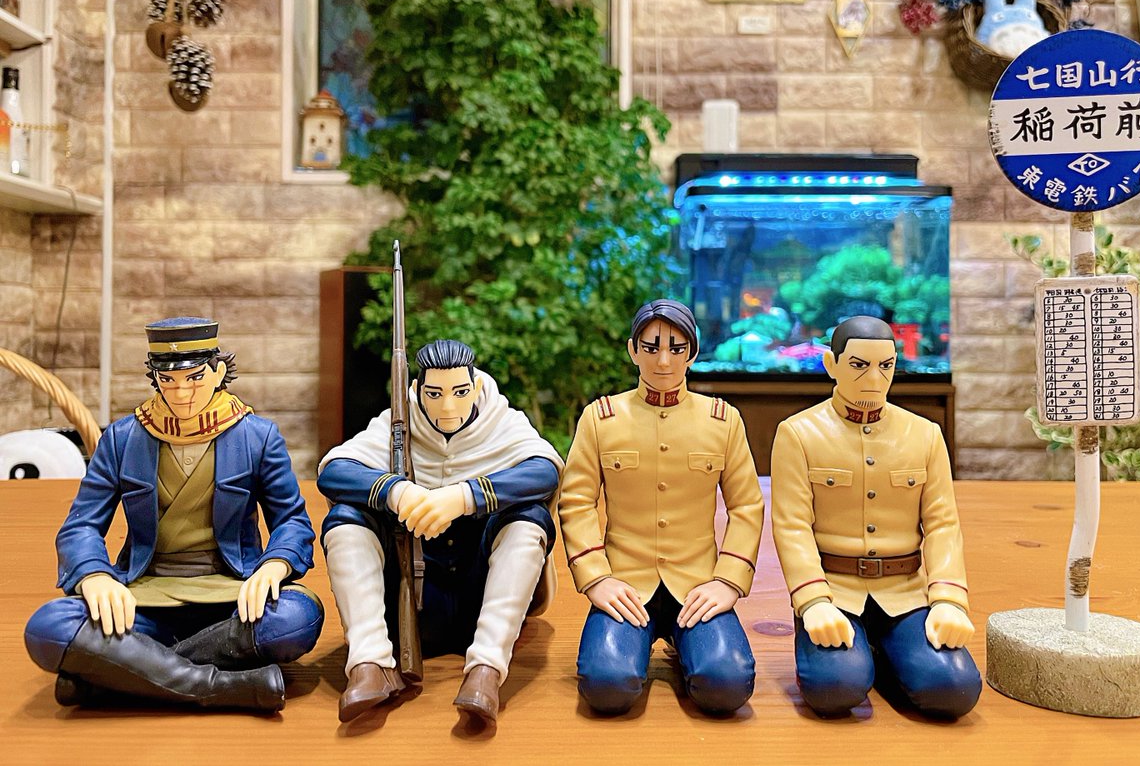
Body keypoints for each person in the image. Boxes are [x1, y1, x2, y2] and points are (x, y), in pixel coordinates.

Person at [24, 318, 324, 713]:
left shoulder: (257, 436)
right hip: (142, 596)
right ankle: (221, 686)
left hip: (232, 597)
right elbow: (81, 525)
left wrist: (274, 565)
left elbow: (292, 521)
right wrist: (95, 575)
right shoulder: (123, 439)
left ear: (218, 372)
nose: (181, 393)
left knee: (297, 618)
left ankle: (118, 677)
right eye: (168, 381)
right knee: (50, 627)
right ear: (155, 379)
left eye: (194, 379)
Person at [318, 339, 562, 725]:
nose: (448, 406)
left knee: (529, 519)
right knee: (346, 519)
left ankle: (486, 670)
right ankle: (369, 663)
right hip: (414, 599)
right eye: (434, 394)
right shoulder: (397, 425)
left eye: (460, 392)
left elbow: (544, 470)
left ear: (476, 387)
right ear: (417, 391)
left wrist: (464, 497)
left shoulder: (502, 422)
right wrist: (396, 491)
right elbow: (334, 471)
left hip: (479, 588)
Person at [559, 299, 764, 716]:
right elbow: (577, 502)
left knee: (727, 684)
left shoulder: (722, 420)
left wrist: (728, 580)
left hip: (697, 584)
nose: (664, 360)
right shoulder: (601, 419)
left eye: (676, 347)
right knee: (607, 686)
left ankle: (686, 643)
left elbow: (746, 506)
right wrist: (596, 578)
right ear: (633, 350)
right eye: (651, 348)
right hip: (625, 584)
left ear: (692, 352)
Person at [771, 315, 981, 719]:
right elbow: (792, 526)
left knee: (953, 689)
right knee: (835, 688)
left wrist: (949, 600)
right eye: (858, 365)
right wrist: (812, 601)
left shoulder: (924, 434)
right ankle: (865, 659)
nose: (874, 378)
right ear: (831, 365)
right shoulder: (799, 434)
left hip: (905, 592)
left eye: (885, 365)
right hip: (835, 591)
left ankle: (887, 655)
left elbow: (942, 524)